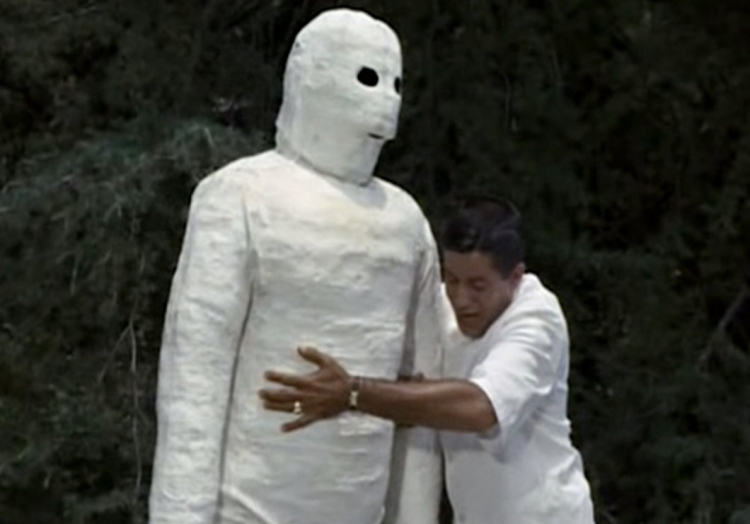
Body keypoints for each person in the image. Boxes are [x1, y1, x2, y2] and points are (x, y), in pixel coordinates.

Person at [149, 9, 443, 524]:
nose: (387, 99)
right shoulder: (240, 196)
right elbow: (194, 386)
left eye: (396, 83)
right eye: (368, 77)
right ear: (309, 74)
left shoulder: (406, 223)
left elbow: (419, 398)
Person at [260, 197, 596, 524]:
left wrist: (352, 393)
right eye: (452, 280)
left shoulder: (537, 320)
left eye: (477, 285)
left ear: (515, 277)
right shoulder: (440, 306)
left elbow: (481, 407)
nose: (461, 299)